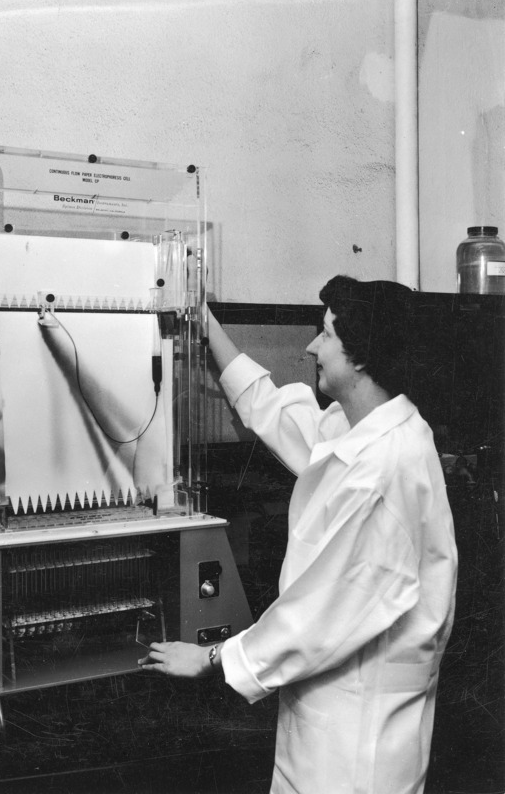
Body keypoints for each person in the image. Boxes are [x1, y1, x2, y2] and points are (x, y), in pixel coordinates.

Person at [138, 275, 458, 794]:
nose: (312, 345)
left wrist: (213, 658)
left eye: (326, 334)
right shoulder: (360, 426)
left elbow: (317, 613)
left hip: (358, 744)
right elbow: (279, 415)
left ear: (359, 356)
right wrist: (205, 321)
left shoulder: (385, 468)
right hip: (329, 718)